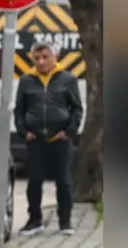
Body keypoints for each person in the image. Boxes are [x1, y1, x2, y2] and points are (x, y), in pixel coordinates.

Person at [14, 42, 84, 236]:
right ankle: (35, 220)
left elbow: (77, 108)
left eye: (45, 57)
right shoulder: (27, 80)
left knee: (64, 181)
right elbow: (19, 110)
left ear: (55, 57)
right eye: (37, 58)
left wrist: (69, 131)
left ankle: (65, 222)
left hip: (60, 139)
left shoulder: (68, 79)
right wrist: (24, 131)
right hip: (36, 139)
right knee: (35, 180)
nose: (41, 62)